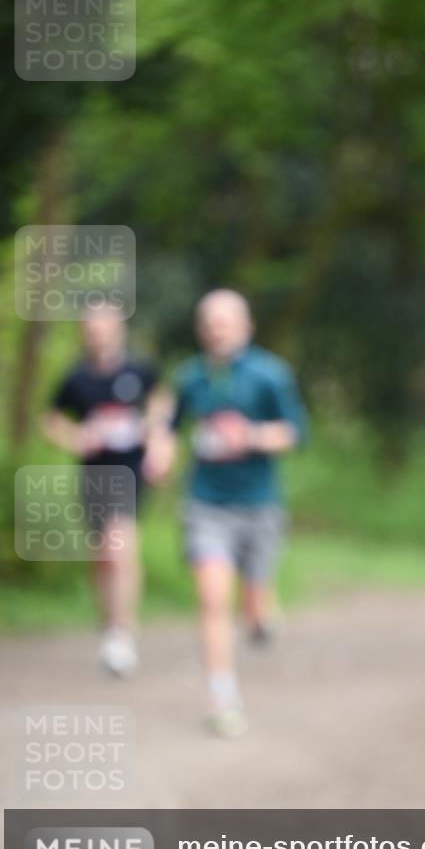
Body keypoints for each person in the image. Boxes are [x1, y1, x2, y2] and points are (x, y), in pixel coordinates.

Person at [144, 289, 307, 738]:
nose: (218, 329)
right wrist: (159, 454)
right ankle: (221, 693)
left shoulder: (270, 374)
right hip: (205, 504)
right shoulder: (191, 377)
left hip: (259, 504)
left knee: (253, 613)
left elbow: (295, 432)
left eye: (226, 321)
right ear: (201, 330)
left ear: (245, 326)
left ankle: (260, 613)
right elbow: (170, 428)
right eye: (210, 322)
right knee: (213, 599)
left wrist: (249, 436)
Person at [42, 304, 159, 678]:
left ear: (118, 330)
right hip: (94, 473)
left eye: (104, 329)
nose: (98, 336)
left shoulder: (138, 370)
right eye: (91, 330)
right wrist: (76, 438)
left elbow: (162, 402)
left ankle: (123, 630)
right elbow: (52, 419)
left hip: (131, 470)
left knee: (120, 543)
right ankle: (110, 620)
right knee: (103, 553)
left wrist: (156, 439)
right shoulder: (76, 378)